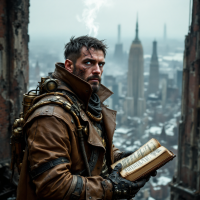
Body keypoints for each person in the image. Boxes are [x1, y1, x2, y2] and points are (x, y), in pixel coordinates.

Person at [17, 36, 154, 200]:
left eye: (100, 64)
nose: (97, 70)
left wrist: (122, 158)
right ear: (69, 65)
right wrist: (111, 187)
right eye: (88, 62)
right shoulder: (51, 116)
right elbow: (53, 186)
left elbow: (93, 150)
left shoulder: (84, 103)